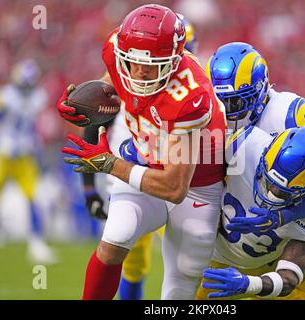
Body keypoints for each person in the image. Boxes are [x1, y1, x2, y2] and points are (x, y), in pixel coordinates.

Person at [58, 4, 226, 300]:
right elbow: (111, 85)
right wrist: (82, 107)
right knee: (115, 238)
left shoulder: (189, 96)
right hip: (144, 158)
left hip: (196, 186)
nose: (138, 72)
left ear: (174, 61)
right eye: (131, 61)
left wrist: (110, 165)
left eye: (150, 65)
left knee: (180, 283)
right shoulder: (118, 49)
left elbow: (174, 187)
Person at [205, 42, 305, 299]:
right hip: (258, 231)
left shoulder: (288, 115)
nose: (227, 112)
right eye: (220, 101)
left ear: (259, 91)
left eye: (236, 101)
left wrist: (284, 216)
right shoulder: (207, 121)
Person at [80, 14, 200, 300]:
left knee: (190, 261)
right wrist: (88, 190)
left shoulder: (195, 91)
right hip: (130, 180)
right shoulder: (127, 78)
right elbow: (91, 126)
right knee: (127, 254)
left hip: (181, 184)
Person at [197, 126, 305, 299]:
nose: (271, 196)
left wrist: (249, 284)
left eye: (284, 192)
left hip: (265, 265)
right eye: (269, 183)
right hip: (213, 255)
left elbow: (288, 278)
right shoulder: (243, 145)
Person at [0, 59, 57, 264]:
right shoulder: (6, 96)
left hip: (24, 155)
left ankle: (36, 244)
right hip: (4, 153)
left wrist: (36, 149)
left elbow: (32, 128)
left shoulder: (37, 97)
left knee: (34, 197)